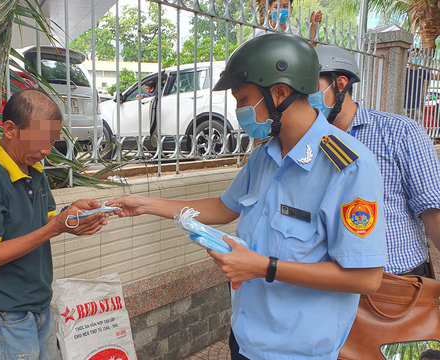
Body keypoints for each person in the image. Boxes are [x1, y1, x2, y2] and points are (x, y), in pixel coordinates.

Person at [110, 33, 386, 360]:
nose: (238, 111)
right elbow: (224, 208)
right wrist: (143, 204)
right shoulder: (263, 156)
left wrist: (263, 267)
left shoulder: (347, 167)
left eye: (242, 99)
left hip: (296, 352)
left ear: (279, 93)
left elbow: (366, 278)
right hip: (244, 340)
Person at [0, 89, 109, 360]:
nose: (46, 151)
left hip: (40, 306)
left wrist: (72, 217)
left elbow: (47, 221)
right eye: (40, 140)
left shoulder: (34, 168)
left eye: (51, 142)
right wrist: (56, 228)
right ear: (9, 129)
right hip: (7, 317)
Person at [311, 45, 440, 277]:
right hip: (331, 284)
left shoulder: (400, 133)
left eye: (310, 88)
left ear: (340, 85)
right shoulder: (307, 142)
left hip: (396, 284)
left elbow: (433, 213)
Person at [250, 0, 322, 45]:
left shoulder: (295, 33)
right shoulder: (258, 34)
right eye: (276, 7)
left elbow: (308, 52)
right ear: (270, 10)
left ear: (290, 9)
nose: (280, 10)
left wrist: (313, 26)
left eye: (285, 6)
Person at [405, 47, 432, 119]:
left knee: (419, 127)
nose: (417, 57)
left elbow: (435, 77)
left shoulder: (422, 72)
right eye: (414, 55)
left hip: (416, 107)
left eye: (418, 55)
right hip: (404, 106)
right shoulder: (404, 71)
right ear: (408, 58)